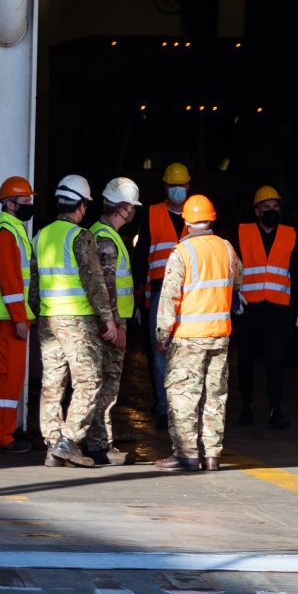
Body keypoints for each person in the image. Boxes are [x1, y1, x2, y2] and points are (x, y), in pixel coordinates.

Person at [36, 175, 122, 469]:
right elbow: (95, 282)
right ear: (82, 205)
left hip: (48, 320)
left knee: (52, 382)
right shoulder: (80, 237)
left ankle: (52, 445)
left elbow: (33, 286)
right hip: (77, 320)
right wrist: (108, 320)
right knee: (89, 380)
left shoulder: (40, 236)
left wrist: (40, 312)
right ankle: (69, 440)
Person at [155, 193, 242, 472]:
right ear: (211, 219)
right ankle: (212, 456)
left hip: (188, 337)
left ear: (187, 222)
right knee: (214, 396)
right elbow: (238, 279)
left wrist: (161, 334)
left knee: (184, 394)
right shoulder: (227, 248)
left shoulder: (182, 253)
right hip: (219, 335)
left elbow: (169, 297)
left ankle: (186, 454)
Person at [233, 185, 298, 429]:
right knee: (245, 359)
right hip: (248, 308)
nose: (271, 211)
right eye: (266, 207)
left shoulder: (290, 235)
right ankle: (247, 407)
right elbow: (231, 266)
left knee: (275, 360)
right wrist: (232, 294)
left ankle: (274, 411)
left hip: (277, 309)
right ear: (257, 211)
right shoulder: (242, 233)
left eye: (275, 207)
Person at [0, 176, 38, 453]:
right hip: (5, 318)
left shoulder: (11, 228)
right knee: (5, 378)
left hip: (4, 317)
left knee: (6, 377)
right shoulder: (6, 232)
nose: (30, 204)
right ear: (10, 204)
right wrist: (19, 318)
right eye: (25, 201)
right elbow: (9, 279)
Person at [86, 177, 141, 465]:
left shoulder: (100, 233)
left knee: (102, 383)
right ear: (124, 209)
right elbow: (107, 286)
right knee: (107, 385)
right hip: (110, 325)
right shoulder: (107, 239)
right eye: (132, 208)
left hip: (105, 322)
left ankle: (98, 443)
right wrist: (117, 325)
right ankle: (98, 446)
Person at [132, 162, 190, 429]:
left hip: (190, 295)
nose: (178, 189)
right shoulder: (153, 214)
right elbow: (141, 253)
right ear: (165, 187)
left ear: (189, 187)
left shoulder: (196, 214)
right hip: (158, 292)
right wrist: (138, 288)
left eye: (182, 185)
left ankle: (184, 406)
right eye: (173, 185)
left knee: (188, 350)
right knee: (160, 351)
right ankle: (164, 407)